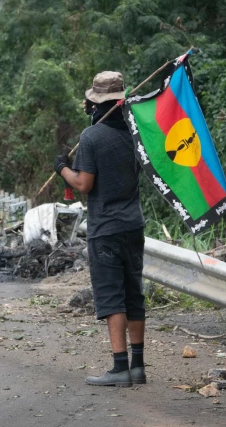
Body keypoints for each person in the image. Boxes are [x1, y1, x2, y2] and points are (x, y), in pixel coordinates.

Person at [53, 71, 146, 387]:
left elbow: (83, 183)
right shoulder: (136, 133)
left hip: (105, 228)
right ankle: (138, 366)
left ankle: (119, 368)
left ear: (95, 103)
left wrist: (62, 168)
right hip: (134, 225)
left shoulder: (91, 137)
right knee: (133, 293)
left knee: (111, 297)